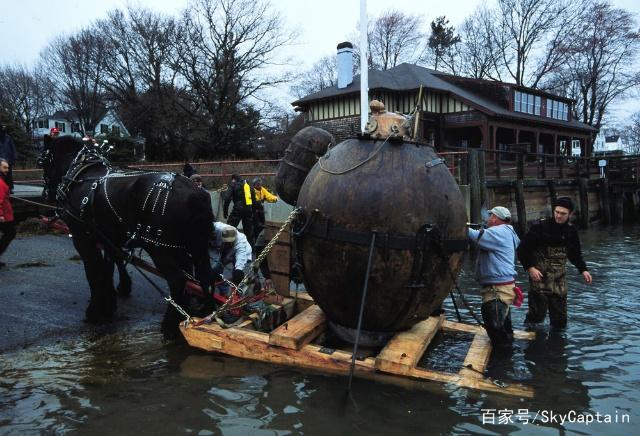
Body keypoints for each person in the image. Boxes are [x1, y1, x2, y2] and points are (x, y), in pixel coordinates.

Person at [518, 196, 592, 329]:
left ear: (570, 214)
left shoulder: (571, 231)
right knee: (536, 316)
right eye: (556, 212)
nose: (558, 216)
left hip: (559, 279)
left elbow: (575, 254)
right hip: (540, 277)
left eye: (563, 213)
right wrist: (530, 268)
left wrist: (583, 270)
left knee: (560, 320)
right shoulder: (539, 228)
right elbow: (522, 250)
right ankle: (531, 342)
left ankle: (558, 346)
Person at [468, 206, 520, 352]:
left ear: (495, 218)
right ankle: (508, 359)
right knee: (504, 328)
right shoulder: (508, 232)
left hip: (497, 291)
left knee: (495, 328)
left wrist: (458, 224)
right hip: (506, 288)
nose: (488, 219)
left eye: (490, 216)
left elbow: (472, 235)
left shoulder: (499, 232)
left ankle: (502, 364)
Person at [210, 221, 252, 286]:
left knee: (237, 275)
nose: (228, 243)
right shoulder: (219, 228)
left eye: (230, 242)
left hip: (239, 253)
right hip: (225, 249)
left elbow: (241, 255)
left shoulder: (240, 242)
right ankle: (221, 288)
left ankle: (240, 289)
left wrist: (239, 269)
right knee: (216, 269)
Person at [223, 173, 255, 246]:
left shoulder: (233, 184)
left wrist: (225, 211)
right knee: (248, 230)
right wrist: (252, 209)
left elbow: (227, 198)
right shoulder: (247, 184)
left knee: (230, 228)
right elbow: (253, 197)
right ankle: (251, 249)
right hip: (248, 209)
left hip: (238, 209)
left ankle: (226, 248)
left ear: (233, 179)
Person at [0, 158, 16, 268]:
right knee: (10, 233)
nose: (7, 170)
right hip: (4, 215)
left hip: (5, 214)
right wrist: (0, 215)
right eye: (5, 167)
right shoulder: (0, 183)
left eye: (8, 167)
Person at [251, 177, 278, 244]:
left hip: (261, 210)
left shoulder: (262, 189)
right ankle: (255, 242)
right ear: (254, 185)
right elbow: (255, 200)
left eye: (260, 184)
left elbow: (269, 196)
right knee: (256, 227)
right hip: (254, 210)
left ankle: (263, 240)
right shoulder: (252, 191)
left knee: (263, 224)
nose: (259, 185)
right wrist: (260, 203)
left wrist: (276, 199)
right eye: (257, 184)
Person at [0, 125, 17, 193]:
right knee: (1, 175)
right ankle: (2, 189)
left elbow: (12, 147)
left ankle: (10, 188)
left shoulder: (8, 137)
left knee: (9, 174)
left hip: (8, 159)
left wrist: (14, 157)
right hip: (0, 160)